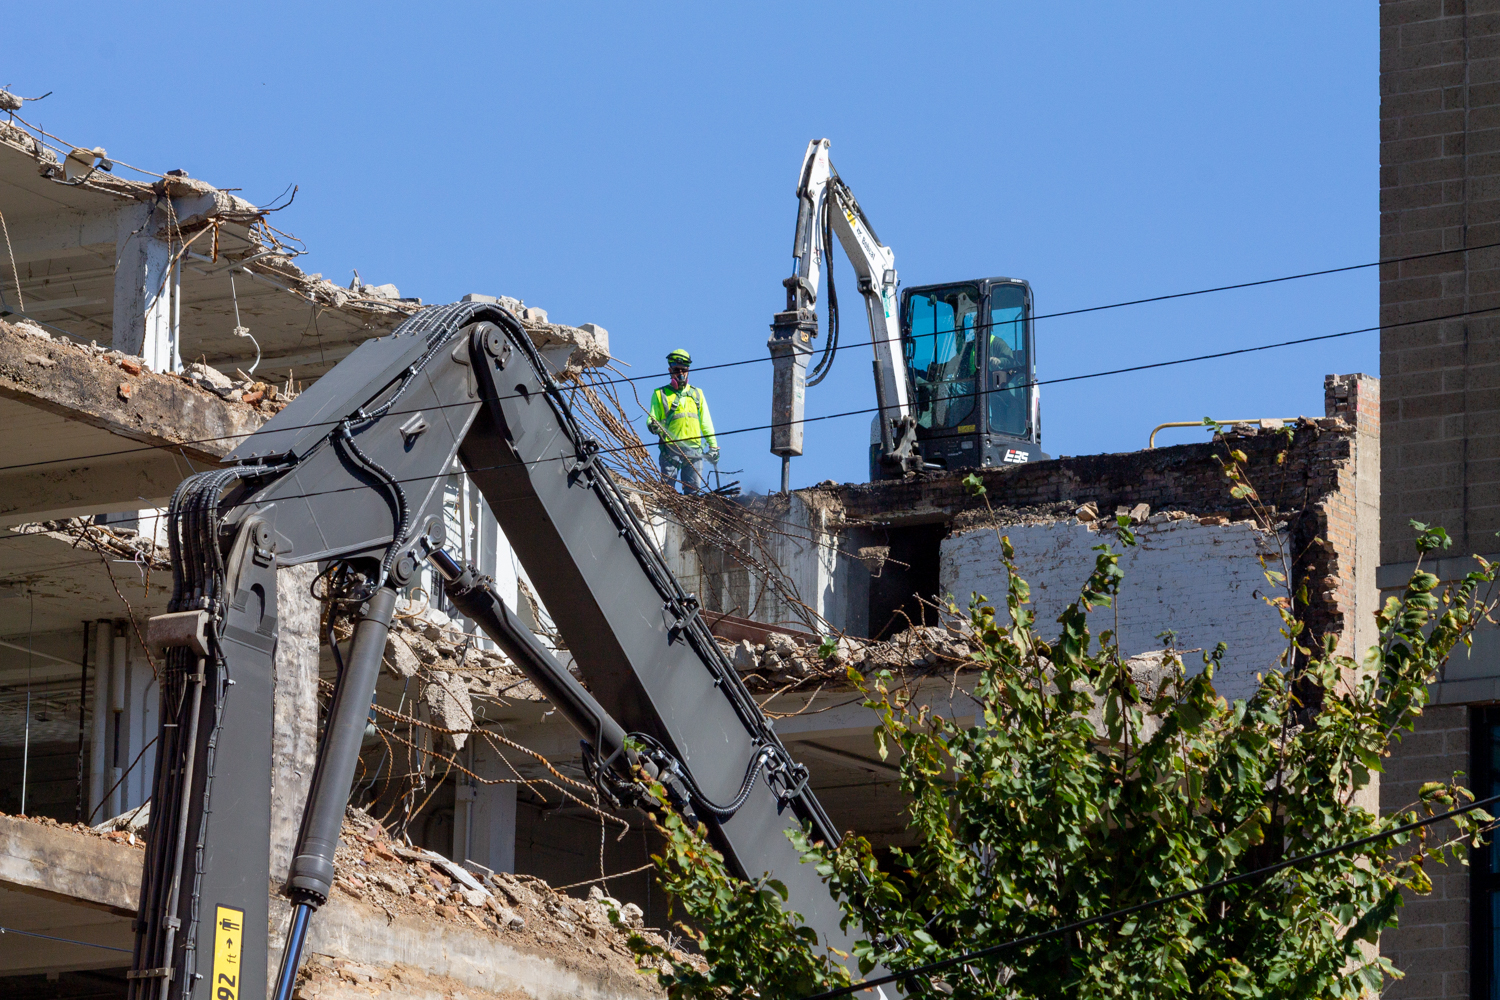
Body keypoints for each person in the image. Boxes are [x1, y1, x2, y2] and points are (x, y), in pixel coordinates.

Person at [648, 349, 718, 493]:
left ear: (688, 370)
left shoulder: (697, 394)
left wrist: (713, 446)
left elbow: (706, 422)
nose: (680, 374)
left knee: (693, 492)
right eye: (676, 370)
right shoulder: (660, 394)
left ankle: (689, 514)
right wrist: (653, 425)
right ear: (670, 370)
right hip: (671, 449)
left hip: (694, 450)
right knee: (667, 491)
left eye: (683, 370)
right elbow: (652, 417)